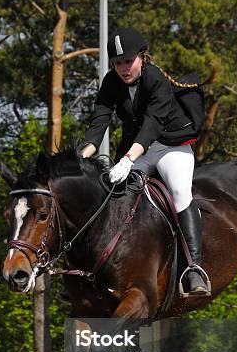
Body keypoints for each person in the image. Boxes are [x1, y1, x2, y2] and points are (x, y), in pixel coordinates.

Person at [80, 27, 209, 295]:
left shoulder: (155, 78)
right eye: (117, 63)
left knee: (179, 192)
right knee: (112, 195)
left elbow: (152, 125)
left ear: (142, 56)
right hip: (139, 150)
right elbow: (99, 121)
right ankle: (96, 267)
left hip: (170, 146)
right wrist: (80, 157)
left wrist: (127, 160)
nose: (123, 68)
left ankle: (194, 268)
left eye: (128, 61)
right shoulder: (111, 82)